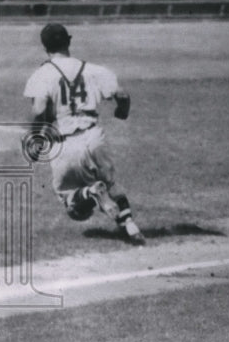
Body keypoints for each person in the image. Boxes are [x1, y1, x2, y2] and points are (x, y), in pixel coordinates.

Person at [23, 23, 146, 245]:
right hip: (94, 136)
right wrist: (121, 111)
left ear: (45, 47)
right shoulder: (95, 70)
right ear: (69, 41)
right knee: (112, 184)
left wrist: (35, 138)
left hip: (65, 142)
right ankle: (129, 225)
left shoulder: (41, 74)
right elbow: (123, 96)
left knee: (70, 201)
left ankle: (90, 193)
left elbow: (40, 110)